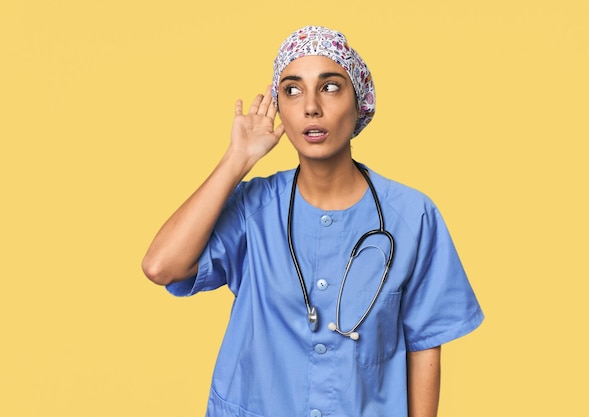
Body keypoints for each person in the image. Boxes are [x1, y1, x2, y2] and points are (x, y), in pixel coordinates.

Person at [142, 25, 484, 417]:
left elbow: (425, 344)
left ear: (360, 102)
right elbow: (160, 266)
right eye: (292, 89)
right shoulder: (254, 209)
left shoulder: (412, 216)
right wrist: (237, 159)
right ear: (279, 107)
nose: (310, 107)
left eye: (330, 87)